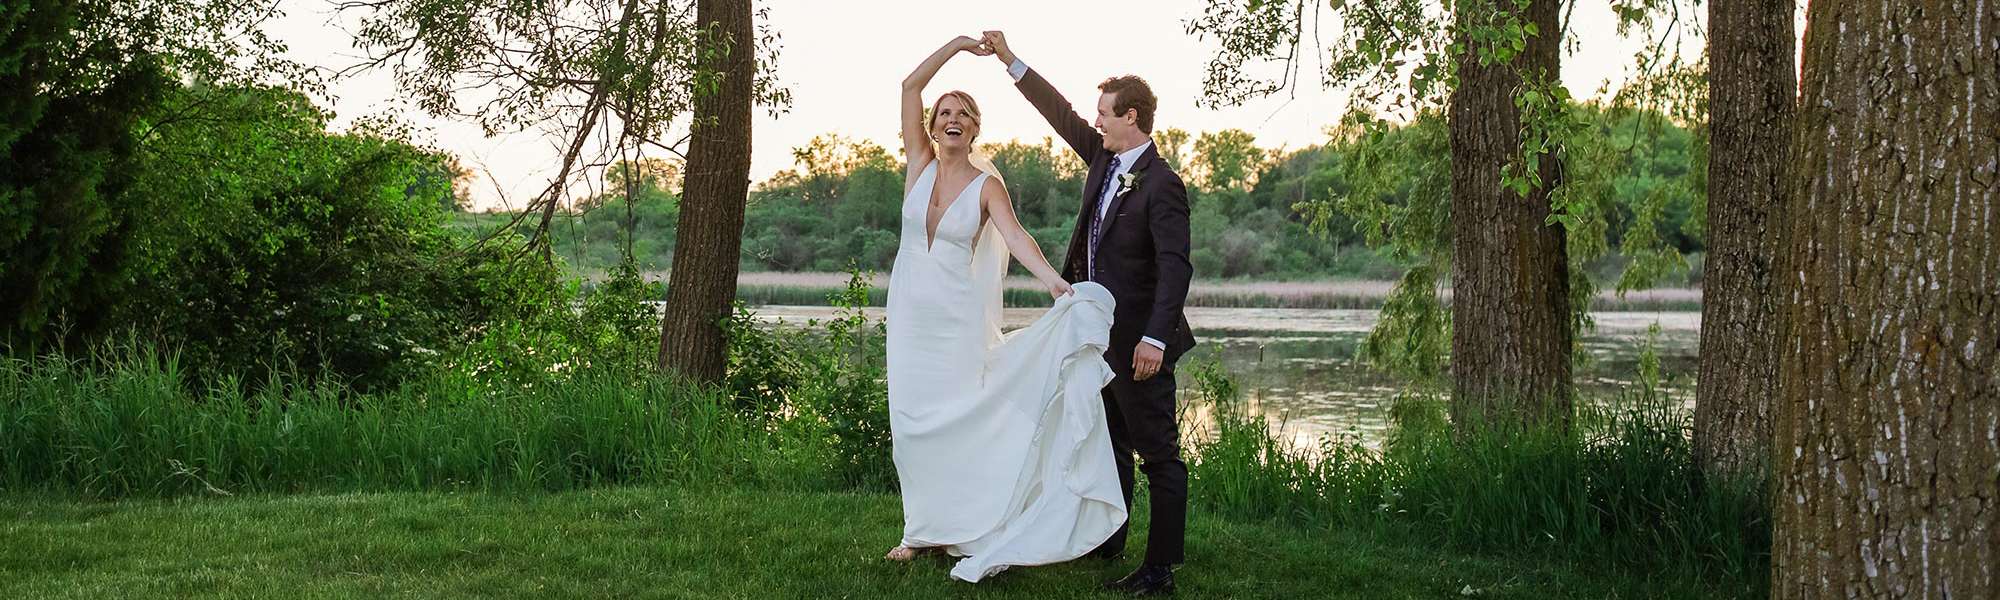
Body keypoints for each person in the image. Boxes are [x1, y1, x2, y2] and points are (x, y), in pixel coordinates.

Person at [882, 35, 1127, 584]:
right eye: (944, 113)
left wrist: (1057, 285)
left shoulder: (987, 185)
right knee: (912, 426)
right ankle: (919, 530)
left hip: (957, 325)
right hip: (910, 322)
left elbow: (1018, 239)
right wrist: (959, 47)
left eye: (963, 114)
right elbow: (910, 85)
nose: (951, 119)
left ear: (974, 128)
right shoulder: (917, 164)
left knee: (957, 422)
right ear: (932, 124)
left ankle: (964, 525)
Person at [983, 30, 1198, 597]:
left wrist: (1154, 338)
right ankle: (1110, 540)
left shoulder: (1162, 184)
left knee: (1159, 454)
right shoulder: (1105, 161)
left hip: (1139, 344)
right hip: (1097, 336)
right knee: (1111, 442)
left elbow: (1176, 269)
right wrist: (1010, 60)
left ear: (1131, 116)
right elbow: (1061, 114)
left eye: (1105, 113)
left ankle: (1161, 569)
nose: (1096, 121)